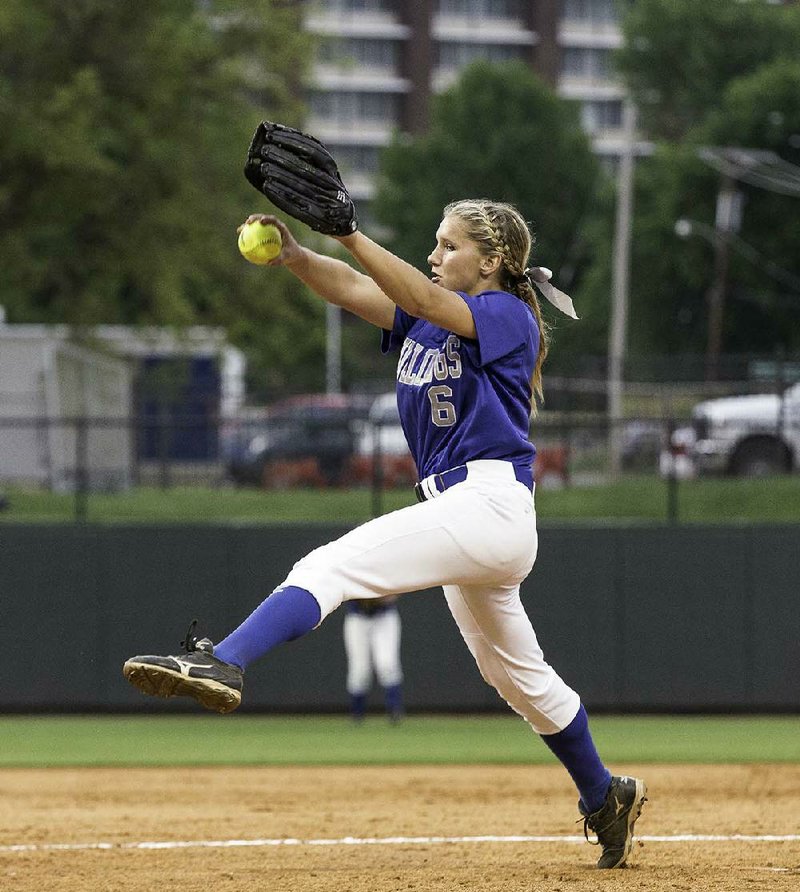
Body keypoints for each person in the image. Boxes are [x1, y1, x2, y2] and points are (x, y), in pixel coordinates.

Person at [124, 198, 647, 869]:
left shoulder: (506, 315)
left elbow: (425, 300)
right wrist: (296, 255)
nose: (436, 255)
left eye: (450, 245)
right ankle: (605, 794)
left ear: (491, 261)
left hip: (485, 501)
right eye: (434, 243)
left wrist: (349, 231)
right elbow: (353, 288)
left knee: (332, 564)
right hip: (470, 517)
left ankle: (221, 659)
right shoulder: (430, 321)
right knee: (517, 679)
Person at [343, 595, 403, 722]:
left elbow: (394, 593)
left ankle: (394, 711)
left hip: (384, 616)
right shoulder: (355, 573)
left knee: (387, 664)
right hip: (357, 617)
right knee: (359, 670)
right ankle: (357, 714)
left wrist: (379, 594)